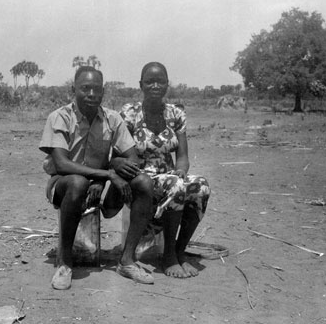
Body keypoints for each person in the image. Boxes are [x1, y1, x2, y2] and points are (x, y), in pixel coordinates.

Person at [39, 66, 154, 290]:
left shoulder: (112, 119)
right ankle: (64, 263)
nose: (91, 94)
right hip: (64, 186)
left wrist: (112, 167)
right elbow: (62, 164)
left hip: (99, 185)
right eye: (85, 88)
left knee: (143, 183)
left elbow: (132, 159)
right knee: (77, 182)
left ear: (104, 91)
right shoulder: (60, 117)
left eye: (96, 89)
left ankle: (127, 260)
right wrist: (108, 174)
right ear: (74, 89)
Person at [119, 62, 211, 279]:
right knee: (176, 185)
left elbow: (182, 156)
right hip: (140, 176)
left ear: (167, 85)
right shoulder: (130, 113)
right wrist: (175, 178)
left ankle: (179, 250)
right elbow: (122, 153)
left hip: (169, 174)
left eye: (160, 81)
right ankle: (168, 256)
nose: (154, 86)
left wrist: (181, 170)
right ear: (141, 85)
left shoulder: (175, 113)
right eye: (149, 81)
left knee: (201, 187)